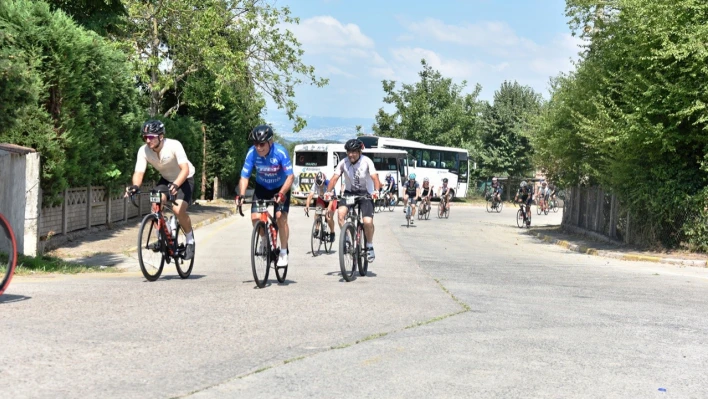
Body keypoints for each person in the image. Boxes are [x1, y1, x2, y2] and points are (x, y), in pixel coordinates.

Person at [126, 119, 196, 260]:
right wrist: (135, 187)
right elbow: (139, 172)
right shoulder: (144, 151)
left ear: (161, 136)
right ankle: (162, 236)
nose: (147, 140)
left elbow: (185, 169)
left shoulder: (174, 145)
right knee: (155, 203)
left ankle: (190, 240)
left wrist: (176, 184)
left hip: (185, 178)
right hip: (166, 179)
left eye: (151, 137)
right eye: (145, 137)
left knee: (178, 210)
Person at [234, 125, 294, 267]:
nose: (259, 147)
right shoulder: (252, 153)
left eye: (262, 144)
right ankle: (264, 240)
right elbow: (244, 176)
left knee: (280, 217)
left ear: (270, 142)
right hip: (262, 188)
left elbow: (290, 177)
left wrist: (281, 193)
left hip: (280, 188)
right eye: (255, 144)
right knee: (255, 218)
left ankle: (284, 252)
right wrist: (241, 195)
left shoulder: (280, 152)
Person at [325, 138, 381, 262]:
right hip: (349, 193)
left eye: (354, 151)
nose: (351, 154)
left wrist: (376, 191)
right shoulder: (343, 162)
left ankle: (369, 246)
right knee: (340, 214)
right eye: (349, 151)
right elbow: (334, 178)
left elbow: (374, 178)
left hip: (366, 194)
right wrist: (328, 192)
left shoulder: (367, 161)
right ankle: (347, 240)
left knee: (367, 222)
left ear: (360, 151)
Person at [305, 171, 336, 243]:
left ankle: (332, 232)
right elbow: (310, 196)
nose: (319, 186)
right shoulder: (315, 184)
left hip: (331, 200)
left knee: (328, 217)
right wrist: (307, 206)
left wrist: (328, 208)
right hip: (322, 199)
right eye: (318, 185)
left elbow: (332, 198)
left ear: (324, 181)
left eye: (321, 185)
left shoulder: (329, 184)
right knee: (317, 212)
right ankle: (317, 228)